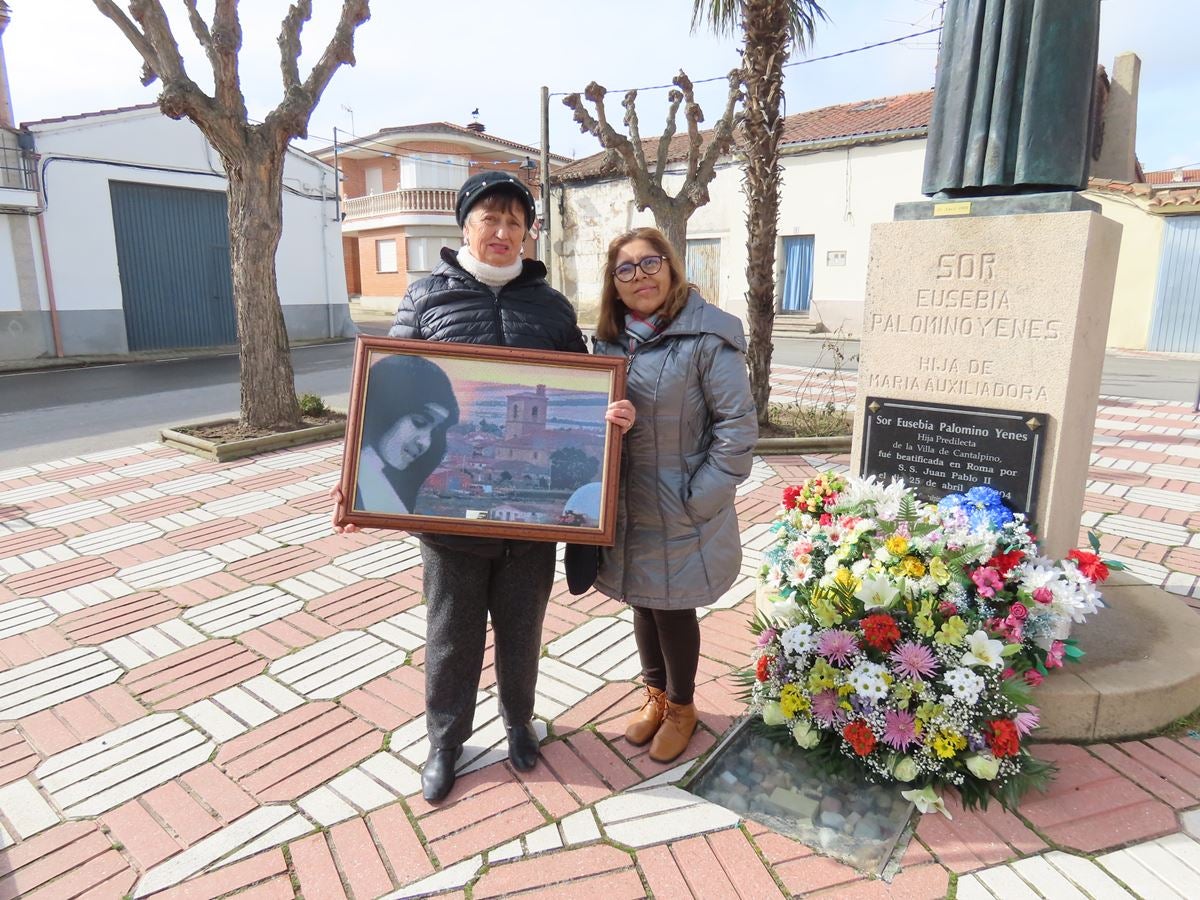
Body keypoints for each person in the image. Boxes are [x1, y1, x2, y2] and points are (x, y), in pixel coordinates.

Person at [334, 171, 634, 803]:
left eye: (515, 223)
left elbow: (585, 381)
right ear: (465, 226)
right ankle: (446, 739)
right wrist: (358, 482)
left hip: (530, 527)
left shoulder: (549, 307)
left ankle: (519, 721)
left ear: (528, 234)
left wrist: (613, 415)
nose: (502, 233)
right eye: (490, 219)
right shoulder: (427, 299)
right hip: (449, 516)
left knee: (523, 627)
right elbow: (386, 394)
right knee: (452, 632)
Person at [591, 227, 757, 763]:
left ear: (671, 267)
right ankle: (656, 697)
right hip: (628, 503)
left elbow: (736, 426)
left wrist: (701, 498)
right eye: (625, 269)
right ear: (614, 286)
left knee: (674, 608)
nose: (640, 276)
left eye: (649, 263)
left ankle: (683, 707)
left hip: (682, 502)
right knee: (643, 600)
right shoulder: (609, 342)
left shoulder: (710, 337)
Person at [354, 355, 458, 514]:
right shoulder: (363, 474)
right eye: (419, 422)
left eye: (435, 431)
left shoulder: (383, 482)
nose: (425, 442)